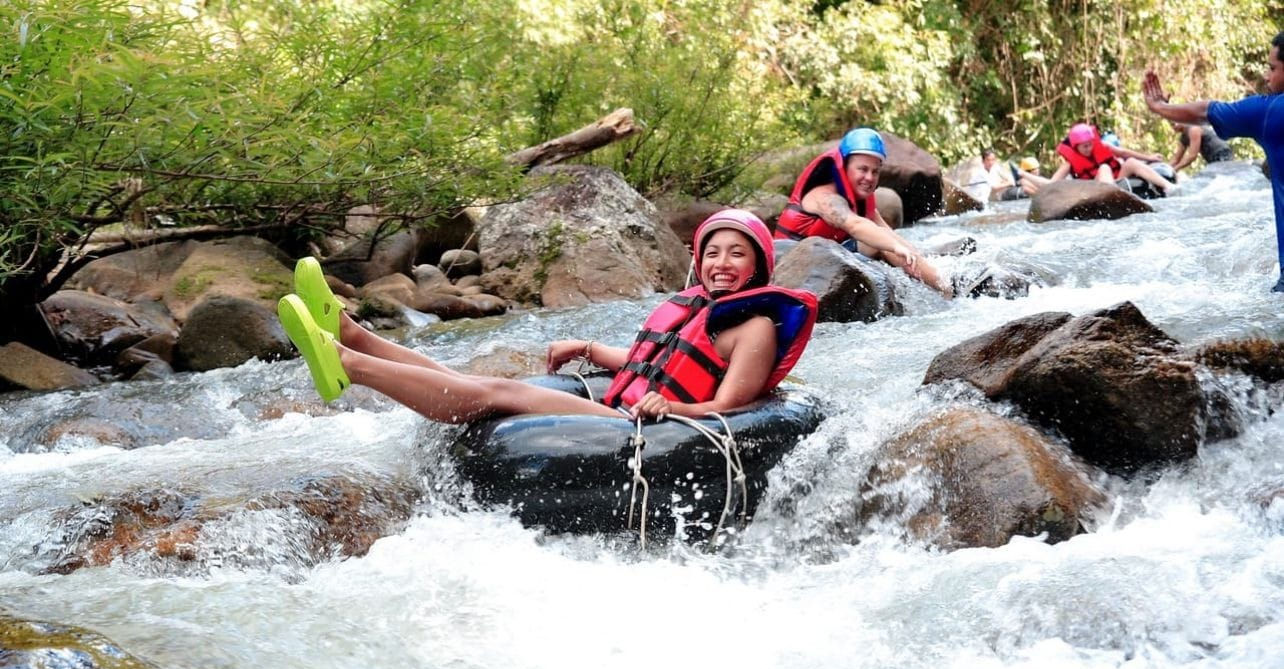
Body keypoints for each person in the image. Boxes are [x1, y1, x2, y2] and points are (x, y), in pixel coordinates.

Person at [276, 210, 819, 422]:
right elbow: (649, 361)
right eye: (713, 253)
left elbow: (729, 407)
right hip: (622, 407)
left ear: (759, 265)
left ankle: (349, 365)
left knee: (501, 393)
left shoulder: (755, 327)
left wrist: (670, 405)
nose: (722, 264)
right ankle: (350, 331)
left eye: (737, 254)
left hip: (640, 427)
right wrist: (588, 349)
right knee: (467, 379)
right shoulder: (696, 307)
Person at [1144, 31, 1284, 292]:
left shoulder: (1270, 112)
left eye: (1272, 68)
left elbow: (1206, 111)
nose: (1266, 76)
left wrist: (1160, 107)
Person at [774, 127, 954, 297]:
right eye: (863, 169)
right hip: (791, 268)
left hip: (824, 262)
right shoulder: (825, 197)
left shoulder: (859, 199)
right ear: (845, 166)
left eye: (875, 172)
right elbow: (855, 225)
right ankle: (947, 289)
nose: (869, 177)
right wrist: (894, 247)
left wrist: (916, 255)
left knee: (884, 239)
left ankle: (944, 283)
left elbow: (888, 233)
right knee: (879, 244)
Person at [1049, 123, 1176, 195]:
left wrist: (1149, 158)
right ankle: (1112, 196)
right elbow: (1052, 183)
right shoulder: (1069, 164)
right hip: (1094, 190)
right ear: (1076, 147)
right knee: (1104, 168)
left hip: (1116, 182)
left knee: (1130, 162)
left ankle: (1168, 186)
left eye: (1090, 144)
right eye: (1085, 146)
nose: (1089, 148)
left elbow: (1124, 153)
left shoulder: (1103, 146)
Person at [1167, 120, 1235, 172]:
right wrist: (1165, 168)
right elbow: (1176, 159)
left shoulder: (1193, 129)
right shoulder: (1183, 138)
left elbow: (1192, 156)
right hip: (1211, 159)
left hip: (1222, 154)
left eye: (1174, 123)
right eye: (1171, 125)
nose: (1174, 126)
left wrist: (1175, 169)